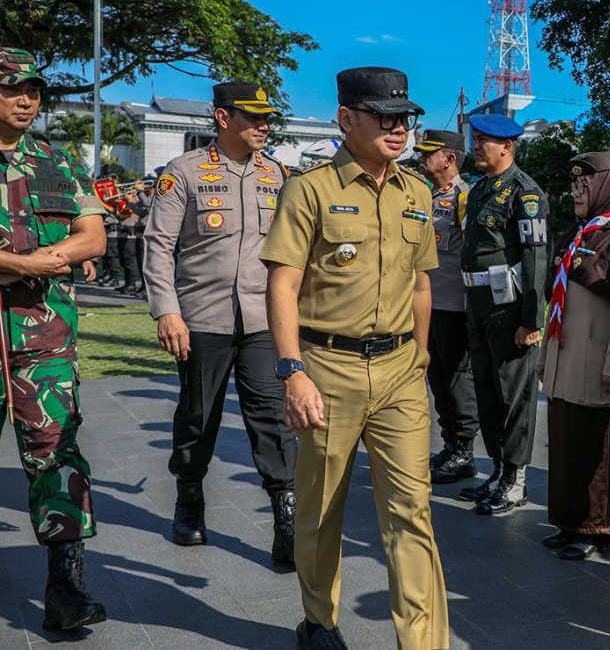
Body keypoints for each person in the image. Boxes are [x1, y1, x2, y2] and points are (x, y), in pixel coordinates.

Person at [261, 66, 449, 649]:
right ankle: (319, 621)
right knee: (320, 510)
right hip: (326, 369)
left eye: (405, 118)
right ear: (347, 119)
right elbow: (283, 285)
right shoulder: (309, 189)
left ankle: (423, 643)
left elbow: (421, 284)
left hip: (399, 373)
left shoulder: (417, 192)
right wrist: (293, 370)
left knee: (412, 512)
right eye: (384, 117)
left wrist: (418, 357)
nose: (399, 129)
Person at [143, 82, 299, 564]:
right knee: (198, 414)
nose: (263, 126)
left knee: (272, 418)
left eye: (266, 118)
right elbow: (158, 245)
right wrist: (167, 310)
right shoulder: (183, 173)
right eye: (252, 118)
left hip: (261, 319)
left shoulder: (280, 176)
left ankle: (286, 513)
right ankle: (189, 498)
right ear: (223, 118)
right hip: (202, 317)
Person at [0, 47, 108, 632]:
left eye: (34, 92)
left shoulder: (54, 162)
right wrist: (30, 262)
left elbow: (92, 235)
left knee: (56, 452)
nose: (25, 100)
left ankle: (66, 587)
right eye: (13, 89)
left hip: (44, 336)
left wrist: (38, 263)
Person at [537, 151, 610, 560]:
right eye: (574, 185)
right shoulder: (581, 233)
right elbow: (557, 300)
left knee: (599, 453)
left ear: (606, 186)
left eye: (584, 185)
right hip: (568, 361)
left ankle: (597, 528)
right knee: (566, 445)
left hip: (599, 364)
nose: (576, 193)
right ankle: (571, 523)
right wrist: (546, 358)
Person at [457, 113, 548, 515]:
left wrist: (530, 319)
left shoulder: (525, 193)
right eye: (475, 140)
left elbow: (535, 258)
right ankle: (496, 470)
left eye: (483, 141)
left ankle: (516, 478)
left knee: (514, 396)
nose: (475, 147)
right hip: (478, 305)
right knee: (487, 391)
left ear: (506, 146)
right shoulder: (479, 190)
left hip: (510, 309)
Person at [414, 129, 480, 485]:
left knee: (456, 379)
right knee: (437, 376)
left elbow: (472, 255)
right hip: (428, 305)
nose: (421, 158)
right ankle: (450, 443)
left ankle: (465, 451)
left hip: (456, 304)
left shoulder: (465, 198)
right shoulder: (425, 195)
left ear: (449, 159)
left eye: (429, 153)